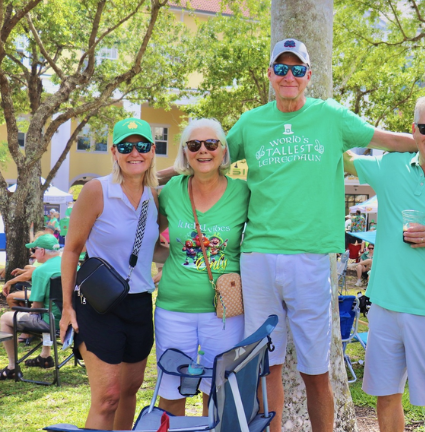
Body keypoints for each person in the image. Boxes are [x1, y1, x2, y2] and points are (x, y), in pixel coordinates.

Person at [154, 38, 425, 432]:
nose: (289, 76)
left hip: (312, 257)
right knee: (263, 367)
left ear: (309, 75)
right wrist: (147, 177)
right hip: (258, 257)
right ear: (270, 74)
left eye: (297, 69)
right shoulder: (251, 122)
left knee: (316, 371)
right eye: (281, 68)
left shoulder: (331, 117)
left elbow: (384, 138)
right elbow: (207, 156)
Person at [343, 95, 425, 432]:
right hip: (384, 305)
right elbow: (341, 152)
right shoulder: (390, 165)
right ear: (413, 130)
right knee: (386, 395)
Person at [59, 117, 159, 430]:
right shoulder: (96, 190)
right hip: (99, 305)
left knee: (129, 391)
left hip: (139, 304)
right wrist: (66, 307)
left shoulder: (155, 196)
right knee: (107, 398)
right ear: (113, 152)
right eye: (126, 147)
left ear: (152, 150)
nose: (135, 153)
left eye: (142, 146)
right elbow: (71, 250)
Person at [152, 119, 249, 416]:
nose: (203, 150)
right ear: (185, 152)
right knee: (172, 392)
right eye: (194, 145)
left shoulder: (243, 192)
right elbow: (153, 243)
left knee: (218, 394)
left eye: (211, 144)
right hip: (174, 310)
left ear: (224, 150)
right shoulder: (171, 191)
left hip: (225, 313)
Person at [0, 234, 62, 379]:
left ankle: (12, 367)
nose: (33, 254)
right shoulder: (73, 266)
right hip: (73, 321)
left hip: (50, 322)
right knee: (48, 310)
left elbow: (36, 306)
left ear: (42, 251)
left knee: (5, 318)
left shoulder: (41, 271)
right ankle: (45, 356)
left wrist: (25, 311)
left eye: (34, 250)